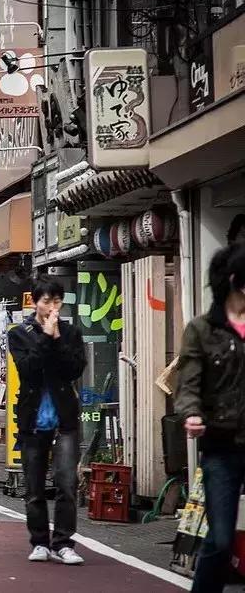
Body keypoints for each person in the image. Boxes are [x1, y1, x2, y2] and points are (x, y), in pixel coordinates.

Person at [176, 244, 245, 591]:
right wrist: (191, 414)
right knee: (220, 538)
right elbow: (187, 383)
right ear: (236, 281)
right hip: (222, 445)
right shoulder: (202, 330)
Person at [7, 276, 87, 566]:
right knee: (34, 485)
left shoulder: (71, 333)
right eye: (46, 301)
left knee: (66, 482)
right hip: (32, 418)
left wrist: (57, 340)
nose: (51, 307)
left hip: (64, 416)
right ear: (35, 302)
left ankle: (64, 542)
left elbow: (74, 369)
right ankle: (39, 541)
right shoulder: (19, 333)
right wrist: (44, 337)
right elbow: (27, 369)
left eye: (56, 301)